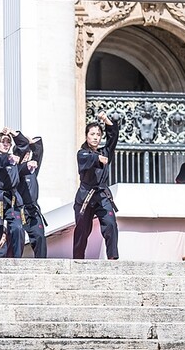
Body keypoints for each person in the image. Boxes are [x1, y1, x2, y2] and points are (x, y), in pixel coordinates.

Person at [73, 111, 120, 260]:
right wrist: (97, 158)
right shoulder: (82, 153)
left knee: (111, 224)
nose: (95, 137)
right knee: (82, 231)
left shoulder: (105, 152)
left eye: (98, 134)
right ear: (86, 136)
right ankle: (78, 260)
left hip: (102, 196)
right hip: (85, 196)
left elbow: (113, 137)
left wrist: (105, 119)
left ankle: (112, 257)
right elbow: (87, 159)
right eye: (92, 134)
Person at [0, 129, 24, 258]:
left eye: (8, 142)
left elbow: (24, 145)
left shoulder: (15, 158)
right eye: (3, 142)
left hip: (12, 200)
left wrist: (13, 133)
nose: (6, 144)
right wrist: (8, 159)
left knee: (18, 228)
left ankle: (17, 259)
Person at [12, 131, 47, 258]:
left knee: (39, 237)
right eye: (24, 154)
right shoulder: (14, 169)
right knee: (18, 238)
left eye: (28, 154)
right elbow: (21, 167)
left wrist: (32, 143)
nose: (27, 157)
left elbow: (38, 151)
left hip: (33, 210)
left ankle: (42, 264)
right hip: (19, 210)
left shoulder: (32, 168)